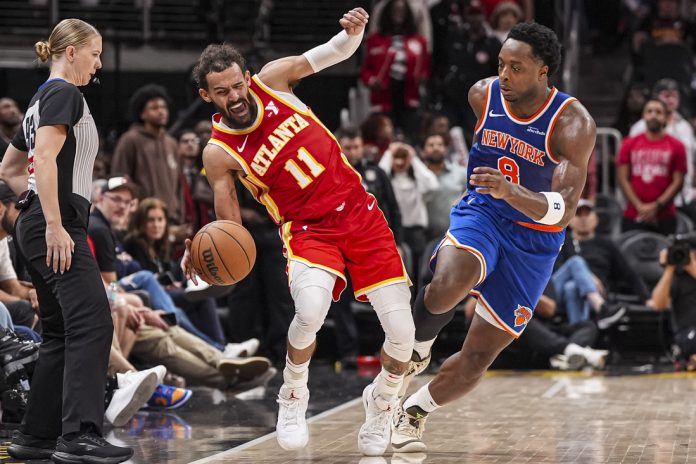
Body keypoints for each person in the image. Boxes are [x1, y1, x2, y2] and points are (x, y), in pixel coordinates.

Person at [184, 7, 415, 456]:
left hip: (361, 215)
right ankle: (292, 394)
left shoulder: (274, 80)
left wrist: (353, 34)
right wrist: (204, 254)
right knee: (309, 311)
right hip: (309, 230)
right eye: (221, 92)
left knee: (402, 333)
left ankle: (383, 401)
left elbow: (333, 52)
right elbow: (229, 227)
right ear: (206, 95)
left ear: (246, 77)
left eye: (236, 85)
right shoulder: (218, 152)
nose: (234, 96)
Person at [390, 22, 596, 452]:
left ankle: (413, 411)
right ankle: (418, 349)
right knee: (449, 283)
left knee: (478, 359)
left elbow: (564, 210)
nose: (504, 74)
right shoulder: (482, 95)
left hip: (535, 241)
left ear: (543, 71)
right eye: (501, 63)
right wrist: (500, 194)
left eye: (516, 67)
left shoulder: (572, 122)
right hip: (483, 212)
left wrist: (512, 191)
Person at [0, 18, 132, 462]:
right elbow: (43, 157)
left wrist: (31, 206)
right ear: (71, 52)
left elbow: (8, 168)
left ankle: (36, 436)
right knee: (93, 322)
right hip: (55, 224)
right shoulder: (65, 93)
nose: (99, 64)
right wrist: (53, 222)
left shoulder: (40, 98)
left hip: (35, 222)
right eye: (95, 54)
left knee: (60, 330)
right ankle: (80, 435)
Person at [617, 99, 687, 236]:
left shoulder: (677, 146)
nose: (653, 115)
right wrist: (640, 207)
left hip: (665, 215)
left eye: (658, 112)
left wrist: (656, 206)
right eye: (649, 111)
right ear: (643, 116)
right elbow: (623, 178)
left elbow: (678, 181)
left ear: (666, 117)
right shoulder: (628, 144)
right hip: (633, 214)